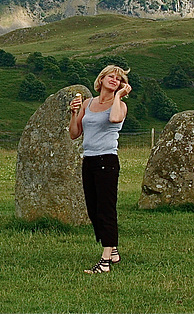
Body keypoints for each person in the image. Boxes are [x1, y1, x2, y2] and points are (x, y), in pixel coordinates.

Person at [69, 64, 132, 274]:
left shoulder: (120, 105)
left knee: (106, 209)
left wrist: (119, 96)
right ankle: (112, 249)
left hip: (107, 161)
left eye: (119, 79)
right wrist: (74, 113)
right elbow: (74, 133)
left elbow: (114, 118)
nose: (115, 80)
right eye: (111, 77)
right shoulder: (89, 103)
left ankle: (105, 261)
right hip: (89, 160)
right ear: (101, 79)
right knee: (93, 210)